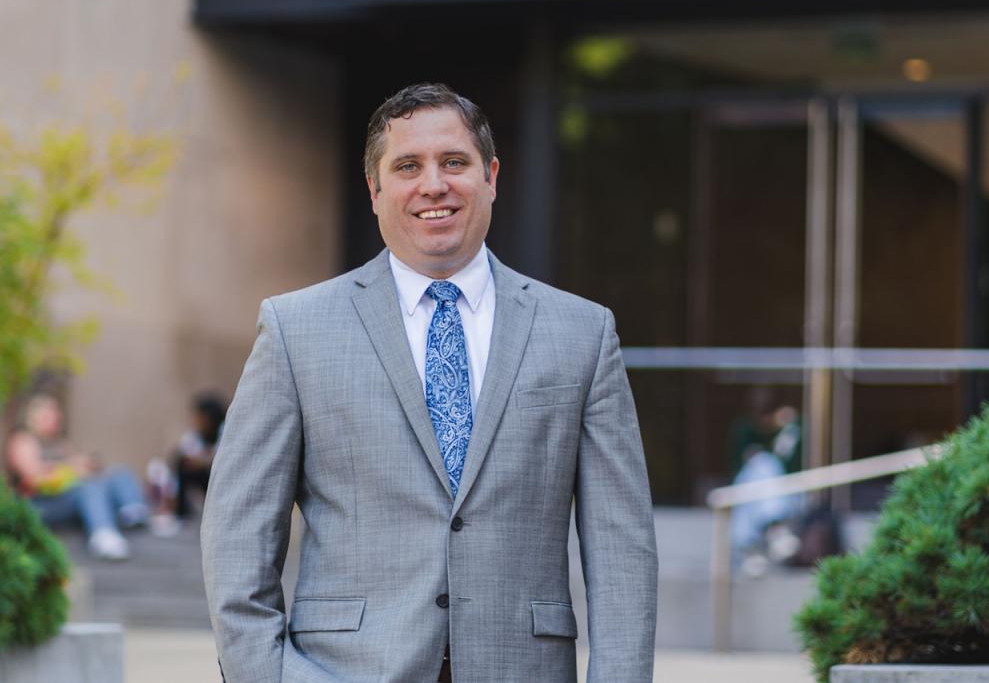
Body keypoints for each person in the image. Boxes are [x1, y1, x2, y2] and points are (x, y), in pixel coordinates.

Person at [202, 83, 658, 682]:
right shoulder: (296, 330)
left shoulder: (583, 333)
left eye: (454, 162)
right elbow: (238, 537)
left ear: (491, 176)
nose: (433, 185)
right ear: (375, 188)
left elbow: (622, 548)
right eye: (407, 166)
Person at [6, 392, 152, 560]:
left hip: (69, 497)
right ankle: (103, 533)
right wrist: (71, 469)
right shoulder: (23, 440)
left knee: (119, 472)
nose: (56, 417)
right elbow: (32, 478)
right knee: (88, 488)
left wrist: (84, 468)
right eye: (50, 413)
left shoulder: (60, 443)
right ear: (34, 417)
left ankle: (134, 511)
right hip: (40, 504)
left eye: (56, 412)